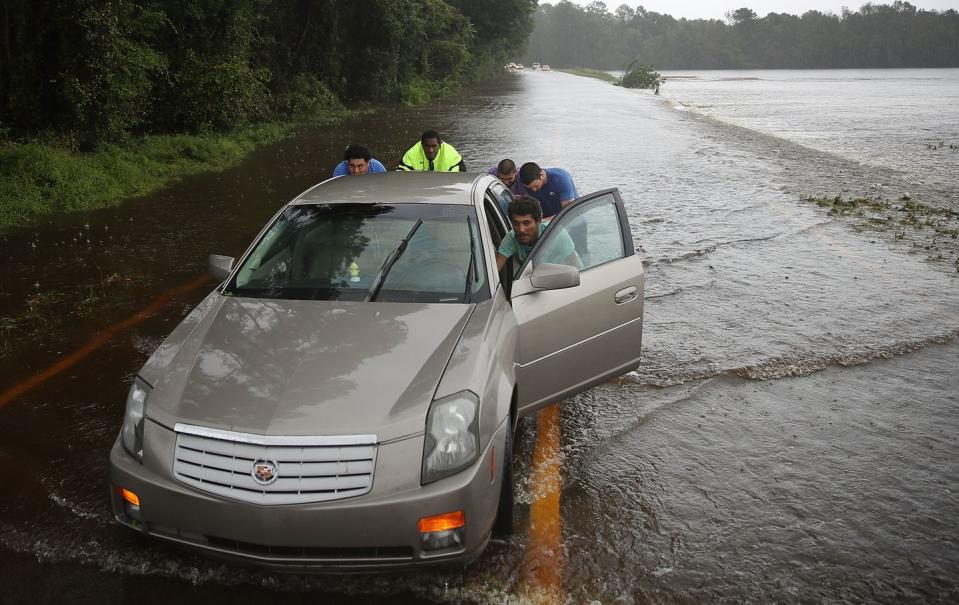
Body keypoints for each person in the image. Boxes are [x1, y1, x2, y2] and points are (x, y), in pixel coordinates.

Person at [496, 196, 580, 272]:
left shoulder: (556, 234)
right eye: (516, 223)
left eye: (526, 223)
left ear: (539, 221)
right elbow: (496, 268)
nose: (521, 229)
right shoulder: (512, 238)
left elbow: (576, 267)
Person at [398, 130, 466, 172]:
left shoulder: (451, 155)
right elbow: (400, 177)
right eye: (427, 146)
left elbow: (461, 178)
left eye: (434, 146)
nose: (430, 150)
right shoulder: (411, 154)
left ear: (440, 145)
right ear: (422, 145)